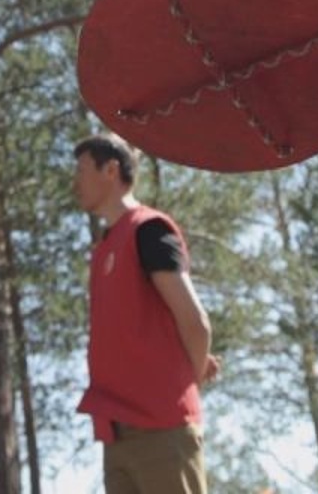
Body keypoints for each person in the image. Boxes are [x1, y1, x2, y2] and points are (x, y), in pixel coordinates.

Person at [72, 132, 219, 494]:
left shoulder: (148, 229)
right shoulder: (104, 247)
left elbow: (195, 322)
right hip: (116, 435)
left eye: (81, 170)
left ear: (111, 170)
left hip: (161, 429)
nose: (75, 182)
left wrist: (189, 377)